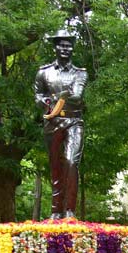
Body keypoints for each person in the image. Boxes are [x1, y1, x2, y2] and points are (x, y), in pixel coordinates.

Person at [35, 28, 87, 219]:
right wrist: (47, 103)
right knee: (56, 166)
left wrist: (58, 97)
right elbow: (38, 96)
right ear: (55, 48)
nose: (65, 49)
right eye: (62, 45)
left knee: (71, 162)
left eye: (69, 46)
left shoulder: (80, 74)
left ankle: (70, 211)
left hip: (73, 121)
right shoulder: (44, 73)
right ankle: (56, 211)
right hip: (52, 122)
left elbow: (77, 96)